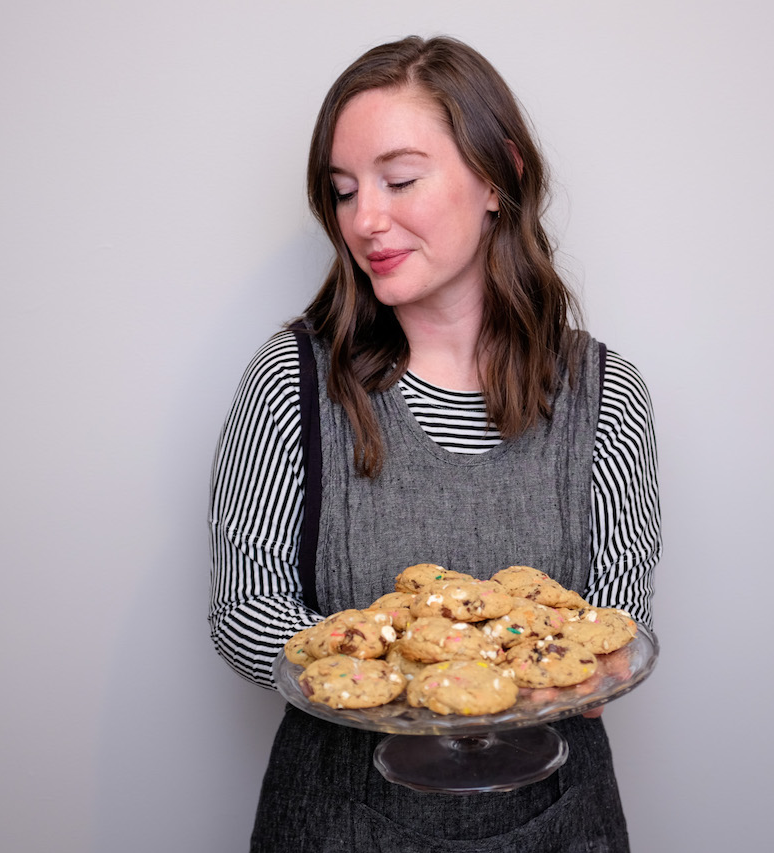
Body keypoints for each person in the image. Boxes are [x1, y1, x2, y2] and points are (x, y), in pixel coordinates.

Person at [209, 35, 661, 852]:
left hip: (560, 822)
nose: (363, 219)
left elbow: (618, 621)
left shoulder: (607, 395)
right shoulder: (293, 381)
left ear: (498, 178)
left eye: (400, 179)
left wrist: (512, 676)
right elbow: (244, 609)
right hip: (340, 823)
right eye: (343, 191)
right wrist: (419, 681)